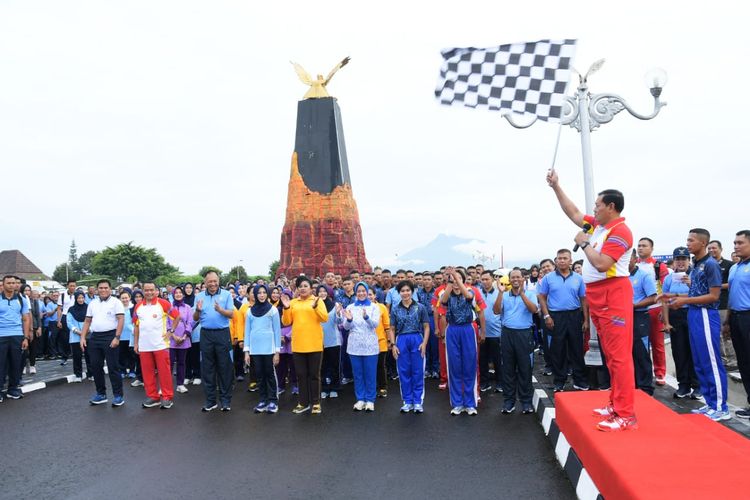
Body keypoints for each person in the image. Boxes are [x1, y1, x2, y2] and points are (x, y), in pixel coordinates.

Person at [547, 169, 637, 432]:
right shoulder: (599, 227)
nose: (593, 209)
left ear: (611, 206)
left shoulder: (621, 232)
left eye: (598, 205)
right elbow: (573, 212)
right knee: (610, 354)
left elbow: (601, 264)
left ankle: (626, 414)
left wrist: (584, 244)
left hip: (613, 293)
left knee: (619, 356)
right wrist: (556, 187)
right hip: (598, 295)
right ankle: (615, 403)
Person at [666, 228, 728, 421]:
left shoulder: (710, 265)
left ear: (703, 243)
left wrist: (683, 301)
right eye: (687, 239)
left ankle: (721, 407)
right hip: (694, 314)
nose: (688, 243)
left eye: (691, 240)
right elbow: (694, 294)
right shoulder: (695, 266)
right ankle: (710, 403)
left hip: (705, 315)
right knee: (700, 361)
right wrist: (673, 296)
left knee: (710, 361)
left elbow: (713, 296)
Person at [537, 249, 589, 392]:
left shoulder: (578, 278)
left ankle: (580, 380)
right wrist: (547, 316)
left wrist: (586, 320)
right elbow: (542, 297)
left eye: (565, 258)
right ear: (556, 261)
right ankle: (559, 380)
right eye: (559, 258)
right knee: (557, 350)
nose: (561, 261)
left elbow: (583, 299)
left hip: (574, 315)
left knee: (576, 350)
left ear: (570, 260)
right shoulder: (548, 278)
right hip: (556, 316)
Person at [281, 276, 328, 414]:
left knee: (314, 375)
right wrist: (286, 307)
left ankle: (316, 402)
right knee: (301, 375)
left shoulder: (317, 301)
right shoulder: (293, 302)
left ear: (311, 288)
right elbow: (286, 321)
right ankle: (303, 402)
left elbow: (324, 318)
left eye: (305, 286)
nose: (302, 288)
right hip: (298, 345)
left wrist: (315, 308)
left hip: (314, 344)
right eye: (300, 286)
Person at [495, 269, 539, 415]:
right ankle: (509, 401)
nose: (515, 279)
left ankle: (526, 402)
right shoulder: (504, 295)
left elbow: (534, 310)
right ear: (509, 279)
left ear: (523, 279)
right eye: (513, 277)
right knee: (508, 369)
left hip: (524, 334)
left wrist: (522, 294)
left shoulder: (530, 293)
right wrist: (500, 293)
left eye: (518, 277)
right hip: (507, 333)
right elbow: (496, 311)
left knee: (525, 369)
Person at [441, 268, 482, 415]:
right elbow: (443, 301)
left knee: (469, 366)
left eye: (459, 278)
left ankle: (470, 403)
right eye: (453, 278)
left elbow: (468, 297)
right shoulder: (447, 294)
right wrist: (451, 282)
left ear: (463, 280)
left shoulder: (470, 292)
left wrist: (457, 279)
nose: (456, 281)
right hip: (452, 330)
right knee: (455, 367)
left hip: (467, 330)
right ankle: (457, 403)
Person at [193, 271, 236, 412]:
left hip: (222, 334)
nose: (212, 284)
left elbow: (231, 314)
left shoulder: (226, 295)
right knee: (207, 369)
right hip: (205, 335)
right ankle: (211, 401)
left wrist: (220, 310)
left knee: (225, 368)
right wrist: (198, 310)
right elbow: (195, 318)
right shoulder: (199, 296)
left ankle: (225, 400)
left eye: (215, 281)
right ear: (205, 282)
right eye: (209, 281)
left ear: (219, 281)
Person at [661, 247, 700, 399]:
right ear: (674, 261)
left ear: (689, 260)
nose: (681, 262)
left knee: (694, 350)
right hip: (675, 315)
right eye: (678, 259)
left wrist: (690, 284)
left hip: (692, 313)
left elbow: (702, 294)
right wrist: (666, 322)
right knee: (679, 351)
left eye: (684, 259)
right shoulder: (669, 278)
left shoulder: (695, 274)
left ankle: (697, 385)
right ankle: (683, 385)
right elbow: (664, 299)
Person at [133, 282, 180, 409]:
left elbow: (177, 317)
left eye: (151, 290)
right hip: (144, 346)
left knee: (164, 372)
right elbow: (136, 326)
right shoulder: (138, 306)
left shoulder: (164, 303)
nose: (149, 292)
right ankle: (153, 397)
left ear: (156, 291)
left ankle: (167, 397)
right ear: (142, 291)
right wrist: (136, 343)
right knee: (147, 373)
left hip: (160, 345)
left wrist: (171, 332)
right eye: (146, 290)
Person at [80, 279, 126, 407]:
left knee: (113, 367)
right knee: (95, 366)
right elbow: (87, 321)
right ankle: (101, 394)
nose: (103, 290)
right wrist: (83, 337)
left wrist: (117, 337)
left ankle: (118, 395)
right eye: (101, 288)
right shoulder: (92, 303)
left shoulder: (116, 302)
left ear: (110, 289)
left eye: (106, 288)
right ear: (97, 289)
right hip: (95, 338)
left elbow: (121, 319)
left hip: (110, 336)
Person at [388, 280, 430, 413]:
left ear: (412, 291)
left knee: (418, 371)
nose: (405, 293)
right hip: (401, 340)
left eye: (408, 290)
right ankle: (407, 401)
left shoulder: (420, 307)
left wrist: (424, 343)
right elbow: (392, 329)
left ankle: (418, 401)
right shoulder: (395, 309)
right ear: (399, 293)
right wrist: (393, 344)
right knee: (404, 372)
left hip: (417, 338)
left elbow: (426, 327)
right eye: (402, 291)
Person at [340, 282, 380, 411]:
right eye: (359, 291)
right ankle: (360, 399)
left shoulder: (374, 307)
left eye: (364, 291)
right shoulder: (350, 307)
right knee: (357, 374)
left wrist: (366, 317)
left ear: (368, 292)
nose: (361, 293)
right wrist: (349, 319)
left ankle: (370, 399)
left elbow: (375, 324)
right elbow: (345, 327)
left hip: (370, 345)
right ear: (356, 293)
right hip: (354, 345)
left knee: (370, 373)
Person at [636, 237, 670, 385]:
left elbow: (664, 289)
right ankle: (643, 372)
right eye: (639, 245)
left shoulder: (658, 266)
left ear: (651, 248)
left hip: (655, 308)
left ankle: (660, 372)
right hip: (638, 309)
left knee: (657, 343)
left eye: (644, 246)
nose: (640, 248)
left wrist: (664, 309)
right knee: (640, 343)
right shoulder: (632, 264)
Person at [244, 284, 282, 414]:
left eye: (264, 292)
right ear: (255, 294)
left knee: (270, 375)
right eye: (259, 293)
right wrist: (246, 352)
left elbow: (277, 332)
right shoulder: (249, 311)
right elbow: (247, 332)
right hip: (255, 350)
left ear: (267, 294)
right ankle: (263, 400)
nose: (261, 295)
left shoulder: (273, 310)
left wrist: (277, 352)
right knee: (259, 376)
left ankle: (273, 401)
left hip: (269, 349)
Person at [727, 230, 750, 418]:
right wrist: (727, 320)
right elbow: (732, 295)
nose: (736, 246)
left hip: (748, 316)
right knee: (743, 361)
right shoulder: (735, 267)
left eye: (740, 243)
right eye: (734, 243)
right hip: (735, 317)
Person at [629, 250, 657, 396]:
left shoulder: (644, 275)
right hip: (623, 318)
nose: (626, 261)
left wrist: (633, 305)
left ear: (635, 259)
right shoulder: (618, 275)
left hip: (639, 317)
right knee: (627, 354)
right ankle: (632, 386)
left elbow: (653, 298)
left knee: (641, 354)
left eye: (628, 258)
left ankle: (645, 388)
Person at [0, 275, 31, 402]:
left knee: (16, 363)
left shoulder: (21, 299)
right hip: (1, 335)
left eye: (14, 283)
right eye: (9, 283)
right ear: (3, 284)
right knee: (1, 364)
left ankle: (13, 389)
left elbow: (25, 318)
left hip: (17, 335)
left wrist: (25, 337)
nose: (12, 285)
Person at [708, 239, 738, 371]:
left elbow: (732, 283)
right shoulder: (708, 264)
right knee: (716, 335)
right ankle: (722, 360)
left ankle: (732, 361)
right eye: (709, 248)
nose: (711, 250)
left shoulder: (730, 265)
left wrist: (716, 286)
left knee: (727, 333)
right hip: (711, 304)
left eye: (714, 248)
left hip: (724, 304)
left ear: (720, 249)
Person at [478, 271, 502, 393]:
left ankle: (500, 383)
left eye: (487, 279)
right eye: (483, 279)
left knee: (498, 360)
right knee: (483, 359)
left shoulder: (500, 293)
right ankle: (484, 383)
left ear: (492, 279)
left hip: (496, 332)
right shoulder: (477, 293)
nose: (485, 282)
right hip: (481, 333)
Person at [169, 286, 194, 394]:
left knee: (181, 363)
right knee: (168, 363)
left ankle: (180, 384)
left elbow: (190, 322)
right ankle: (166, 385)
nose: (178, 294)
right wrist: (173, 336)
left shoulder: (187, 307)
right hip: (171, 340)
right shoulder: (169, 307)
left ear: (183, 294)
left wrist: (184, 336)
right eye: (176, 292)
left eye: (180, 292)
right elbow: (167, 323)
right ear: (173, 294)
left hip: (184, 339)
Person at [318, 284, 341, 399]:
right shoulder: (315, 305)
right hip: (319, 341)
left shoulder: (335, 305)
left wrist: (338, 313)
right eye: (320, 291)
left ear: (328, 293)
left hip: (333, 341)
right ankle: (324, 388)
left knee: (334, 366)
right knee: (322, 366)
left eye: (324, 291)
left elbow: (340, 322)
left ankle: (334, 387)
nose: (322, 293)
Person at [274, 288, 297, 396]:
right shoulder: (276, 310)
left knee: (293, 365)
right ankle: (281, 385)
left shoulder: (294, 309)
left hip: (292, 340)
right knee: (281, 366)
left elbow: (297, 324)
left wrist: (288, 336)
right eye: (283, 297)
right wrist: (279, 337)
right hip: (280, 341)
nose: (285, 300)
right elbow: (273, 325)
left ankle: (295, 385)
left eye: (287, 297)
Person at [368, 288, 390, 398]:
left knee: (381, 366)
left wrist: (390, 341)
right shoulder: (360, 308)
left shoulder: (382, 307)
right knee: (369, 367)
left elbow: (387, 326)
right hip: (366, 343)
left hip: (380, 341)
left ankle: (383, 387)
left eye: (370, 294)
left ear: (375, 295)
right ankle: (371, 388)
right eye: (366, 294)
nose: (368, 296)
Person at [66, 291, 89, 382]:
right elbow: (69, 323)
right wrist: (77, 331)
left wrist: (86, 331)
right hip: (75, 336)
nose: (81, 300)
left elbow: (92, 320)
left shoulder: (88, 308)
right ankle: (78, 375)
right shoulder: (71, 309)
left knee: (89, 356)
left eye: (82, 298)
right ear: (76, 299)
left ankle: (91, 373)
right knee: (77, 356)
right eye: (79, 298)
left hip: (88, 335)